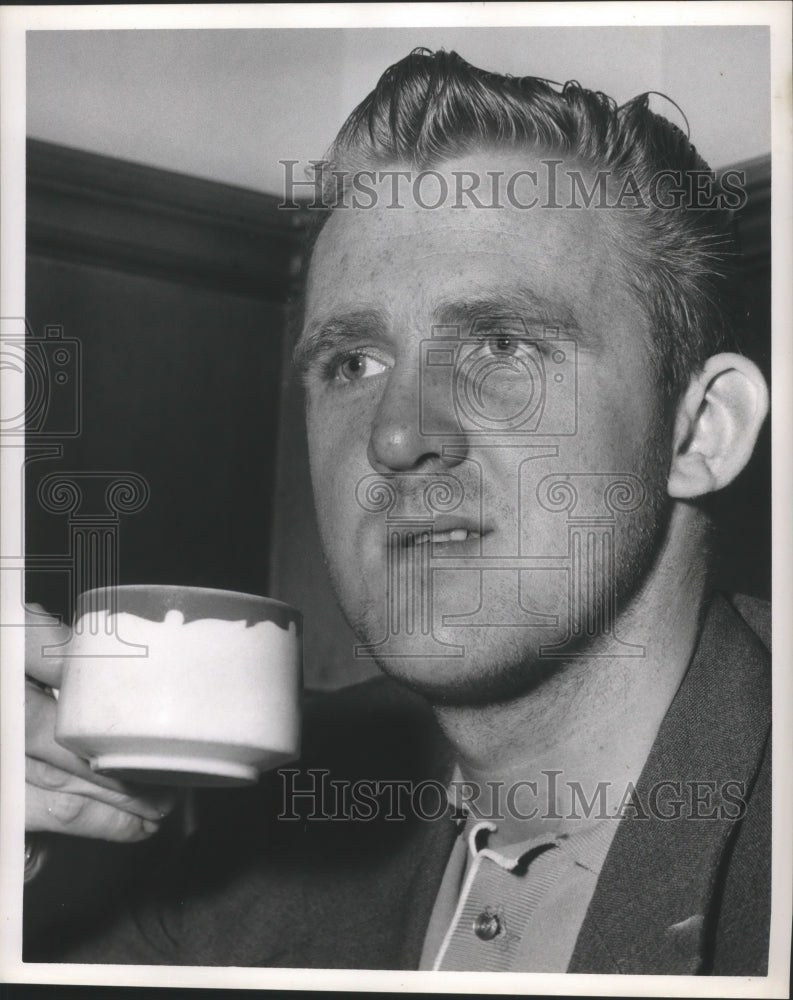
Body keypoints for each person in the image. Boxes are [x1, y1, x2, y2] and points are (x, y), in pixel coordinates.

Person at [24, 49, 771, 974]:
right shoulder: (265, 816)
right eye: (352, 364)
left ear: (698, 433)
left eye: (500, 345)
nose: (394, 437)